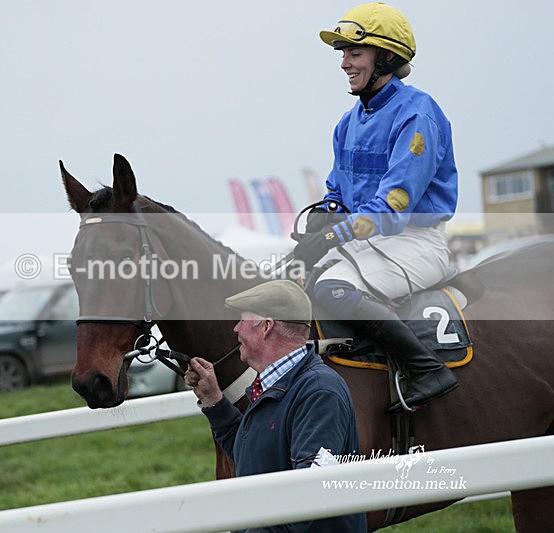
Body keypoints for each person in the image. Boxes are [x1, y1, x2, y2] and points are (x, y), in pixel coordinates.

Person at [292, 2, 458, 413]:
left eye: (354, 53)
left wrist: (333, 234)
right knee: (288, 281)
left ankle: (426, 368)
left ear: (385, 57)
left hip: (416, 241)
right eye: (343, 53)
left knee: (332, 289)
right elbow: (337, 191)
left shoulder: (418, 113)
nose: (344, 63)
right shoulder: (348, 122)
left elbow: (394, 206)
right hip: (369, 242)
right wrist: (325, 214)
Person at [185, 280, 366, 532]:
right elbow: (249, 452)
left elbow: (308, 498)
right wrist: (213, 400)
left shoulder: (320, 392)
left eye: (242, 321)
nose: (236, 329)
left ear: (266, 326)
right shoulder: (283, 382)